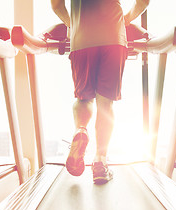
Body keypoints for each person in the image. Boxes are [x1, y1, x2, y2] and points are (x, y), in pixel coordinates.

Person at [51, 0, 150, 184]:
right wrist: (125, 19)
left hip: (82, 37)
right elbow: (143, 2)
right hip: (113, 36)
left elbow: (56, 5)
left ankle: (80, 131)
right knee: (105, 103)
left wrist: (74, 23)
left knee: (84, 98)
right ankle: (100, 161)